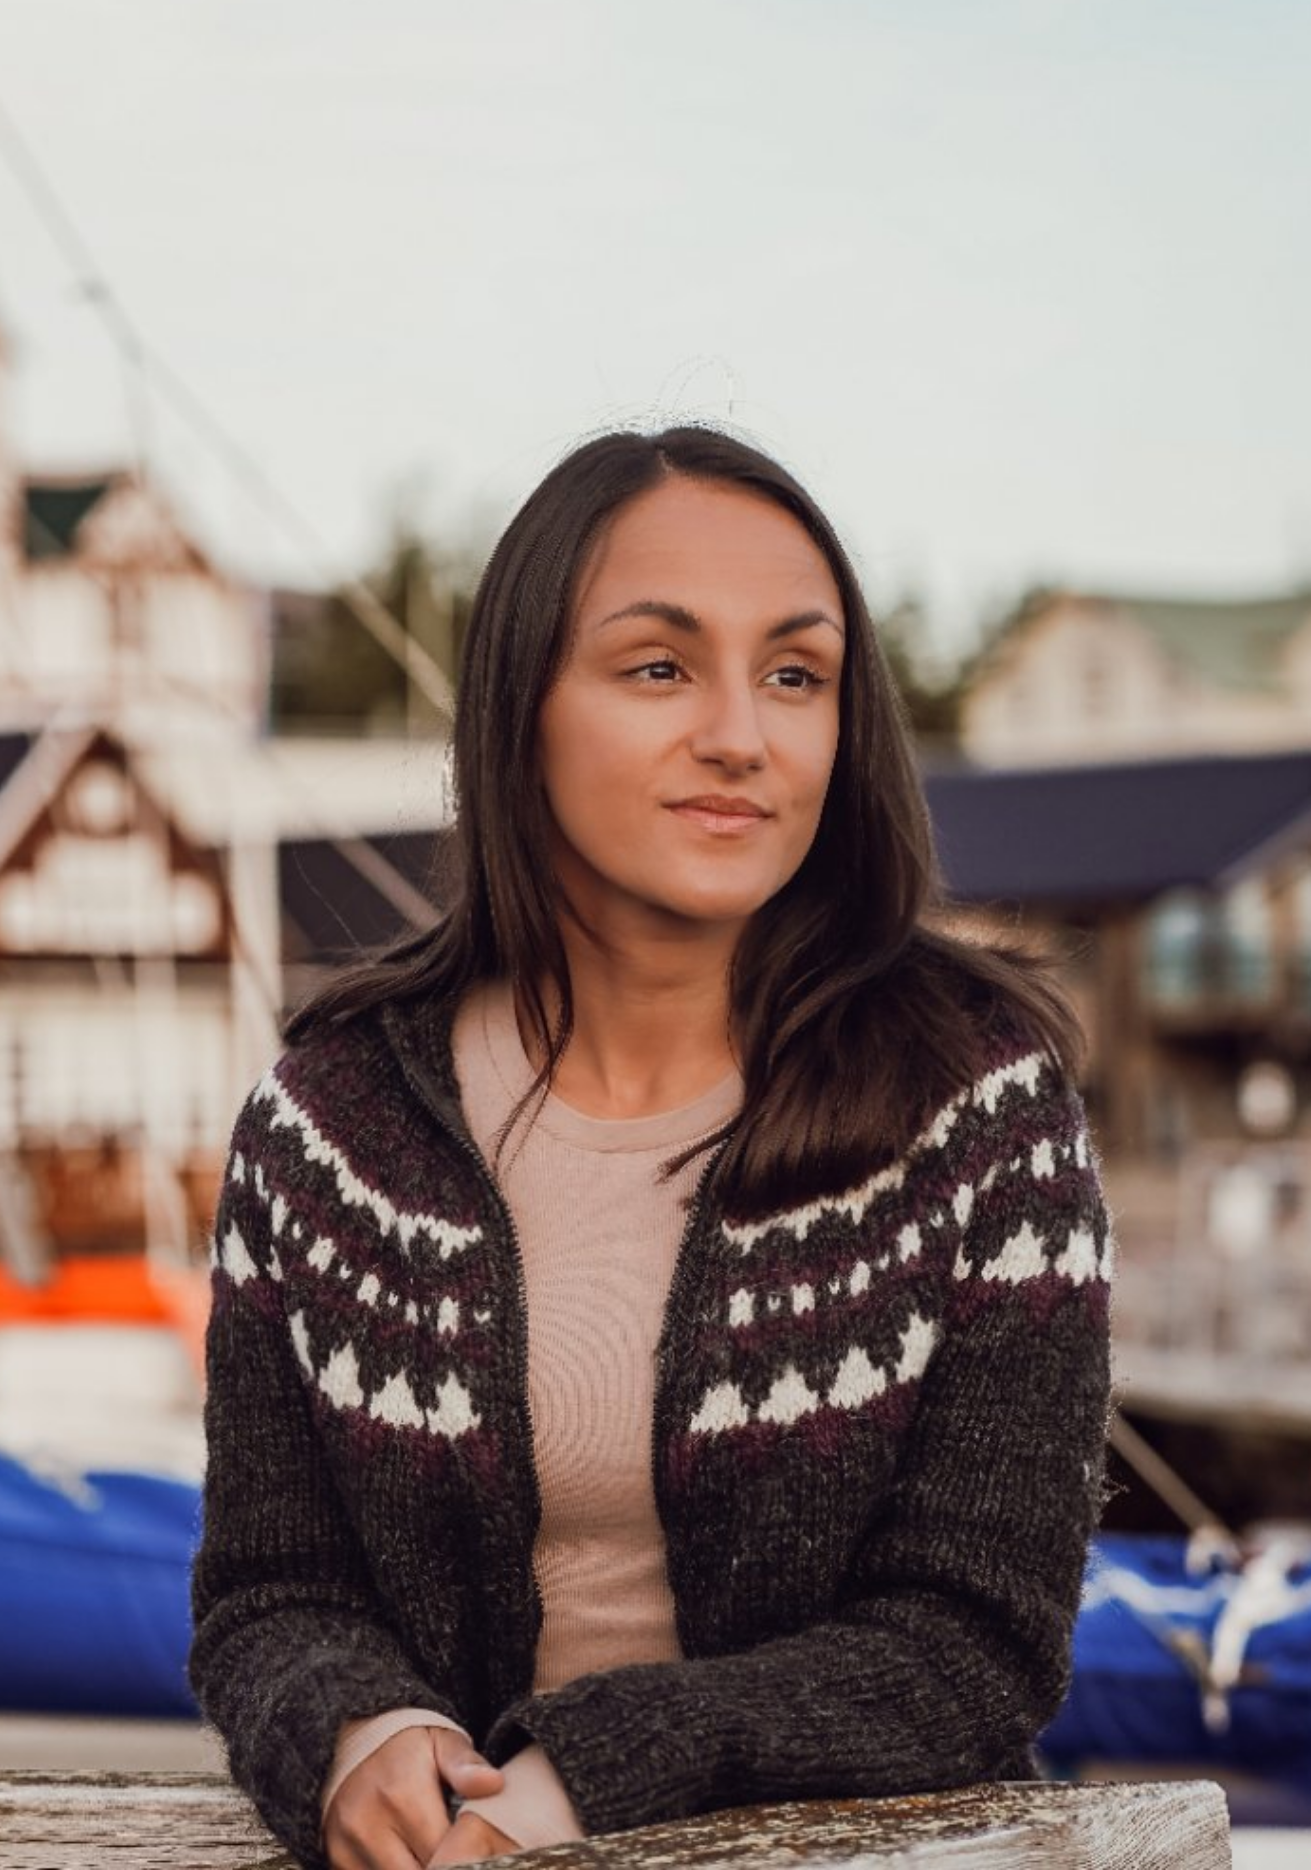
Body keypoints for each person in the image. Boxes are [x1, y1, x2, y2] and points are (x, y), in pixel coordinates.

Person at [190, 425, 1111, 1870]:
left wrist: (584, 1783)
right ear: (522, 709)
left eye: (795, 675)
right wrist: (363, 1730)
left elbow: (975, 1643)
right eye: (661, 667)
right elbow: (269, 1593)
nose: (742, 734)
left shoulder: (975, 1108)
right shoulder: (330, 1128)